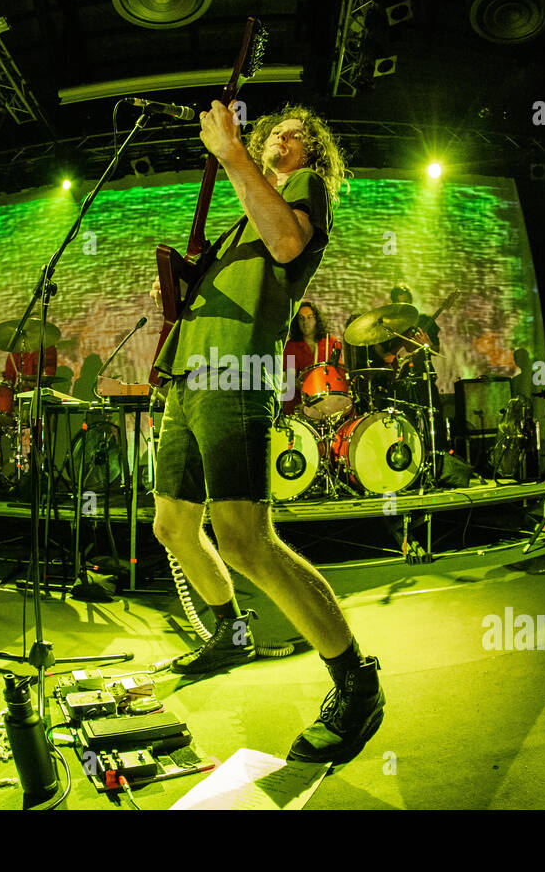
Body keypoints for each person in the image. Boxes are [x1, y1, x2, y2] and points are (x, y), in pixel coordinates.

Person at [150, 101, 384, 766]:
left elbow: (287, 244)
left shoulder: (302, 190)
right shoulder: (240, 219)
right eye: (274, 132)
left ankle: (356, 683)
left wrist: (232, 156)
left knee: (247, 540)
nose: (284, 138)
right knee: (173, 526)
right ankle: (229, 631)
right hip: (190, 378)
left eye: (298, 135)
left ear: (314, 153)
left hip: (233, 370)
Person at [280, 300, 343, 415]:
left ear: (316, 319)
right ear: (296, 322)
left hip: (328, 401)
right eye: (301, 318)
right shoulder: (290, 347)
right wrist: (309, 391)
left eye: (310, 317)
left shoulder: (331, 342)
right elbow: (290, 379)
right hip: (299, 402)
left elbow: (338, 375)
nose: (306, 322)